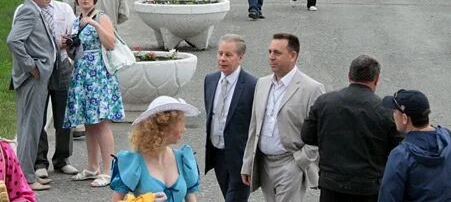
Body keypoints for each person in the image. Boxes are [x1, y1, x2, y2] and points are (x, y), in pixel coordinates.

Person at [301, 55, 403, 202]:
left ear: (349, 75)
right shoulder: (386, 111)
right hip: (368, 188)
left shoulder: (325, 102)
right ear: (377, 79)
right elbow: (397, 149)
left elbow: (307, 136)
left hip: (331, 185)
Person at [241, 33, 325, 202]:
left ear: (293, 56)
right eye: (270, 52)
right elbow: (254, 126)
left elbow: (322, 132)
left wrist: (301, 160)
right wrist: (248, 163)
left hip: (290, 163)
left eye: (277, 53)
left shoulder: (312, 88)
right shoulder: (262, 84)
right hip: (264, 163)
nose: (271, 57)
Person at [63, 0, 124, 187]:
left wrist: (94, 24)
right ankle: (92, 167)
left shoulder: (101, 17)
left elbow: (110, 43)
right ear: (76, 0)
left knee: (101, 122)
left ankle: (108, 170)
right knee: (89, 123)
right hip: (81, 73)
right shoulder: (75, 20)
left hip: (99, 74)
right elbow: (74, 49)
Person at [378, 89, 451, 202]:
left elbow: (388, 197)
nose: (393, 115)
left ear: (405, 118)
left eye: (395, 112)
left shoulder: (400, 156)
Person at [7, 0, 58, 191]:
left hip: (38, 76)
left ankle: (23, 173)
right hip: (32, 78)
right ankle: (27, 177)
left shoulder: (37, 10)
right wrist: (32, 66)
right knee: (30, 127)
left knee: (33, 126)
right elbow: (13, 40)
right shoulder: (29, 10)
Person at [110, 96, 201, 202]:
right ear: (164, 127)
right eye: (180, 123)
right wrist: (143, 200)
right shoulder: (134, 162)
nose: (184, 129)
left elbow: (191, 198)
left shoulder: (183, 159)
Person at [34, 0, 79, 181]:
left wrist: (67, 42)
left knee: (64, 115)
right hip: (41, 66)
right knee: (38, 116)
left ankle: (62, 158)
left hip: (62, 64)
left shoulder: (64, 8)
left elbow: (74, 35)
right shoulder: (29, 11)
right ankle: (39, 161)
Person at [204, 35, 258, 202]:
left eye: (228, 55)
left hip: (241, 160)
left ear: (240, 57)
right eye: (220, 53)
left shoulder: (252, 85)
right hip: (218, 153)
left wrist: (252, 162)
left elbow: (256, 124)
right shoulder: (210, 80)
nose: (222, 59)